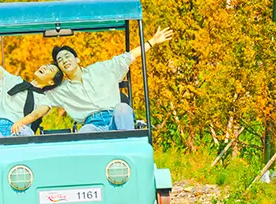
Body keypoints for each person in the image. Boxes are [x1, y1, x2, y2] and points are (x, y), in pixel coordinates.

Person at [16, 26, 173, 134]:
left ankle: (128, 155)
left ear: (77, 59)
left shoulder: (101, 69)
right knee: (86, 130)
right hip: (93, 124)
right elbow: (38, 104)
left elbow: (129, 57)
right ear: (60, 68)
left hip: (116, 119)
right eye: (60, 60)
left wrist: (152, 41)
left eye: (67, 56)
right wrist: (19, 121)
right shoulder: (60, 91)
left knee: (122, 108)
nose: (64, 60)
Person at [0, 39, 62, 137]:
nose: (44, 67)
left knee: (25, 132)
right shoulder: (13, 80)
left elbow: (36, 114)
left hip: (20, 129)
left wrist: (20, 123)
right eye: (46, 65)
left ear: (51, 82)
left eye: (50, 69)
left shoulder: (44, 99)